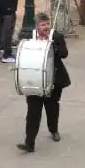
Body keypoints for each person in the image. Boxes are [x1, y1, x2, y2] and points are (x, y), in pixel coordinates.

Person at [17, 13, 70, 152]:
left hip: (54, 79)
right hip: (34, 79)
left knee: (52, 107)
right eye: (42, 25)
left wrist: (53, 47)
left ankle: (54, 130)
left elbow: (64, 53)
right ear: (36, 26)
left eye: (47, 24)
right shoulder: (29, 37)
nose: (46, 27)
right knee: (33, 111)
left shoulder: (56, 36)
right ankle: (29, 143)